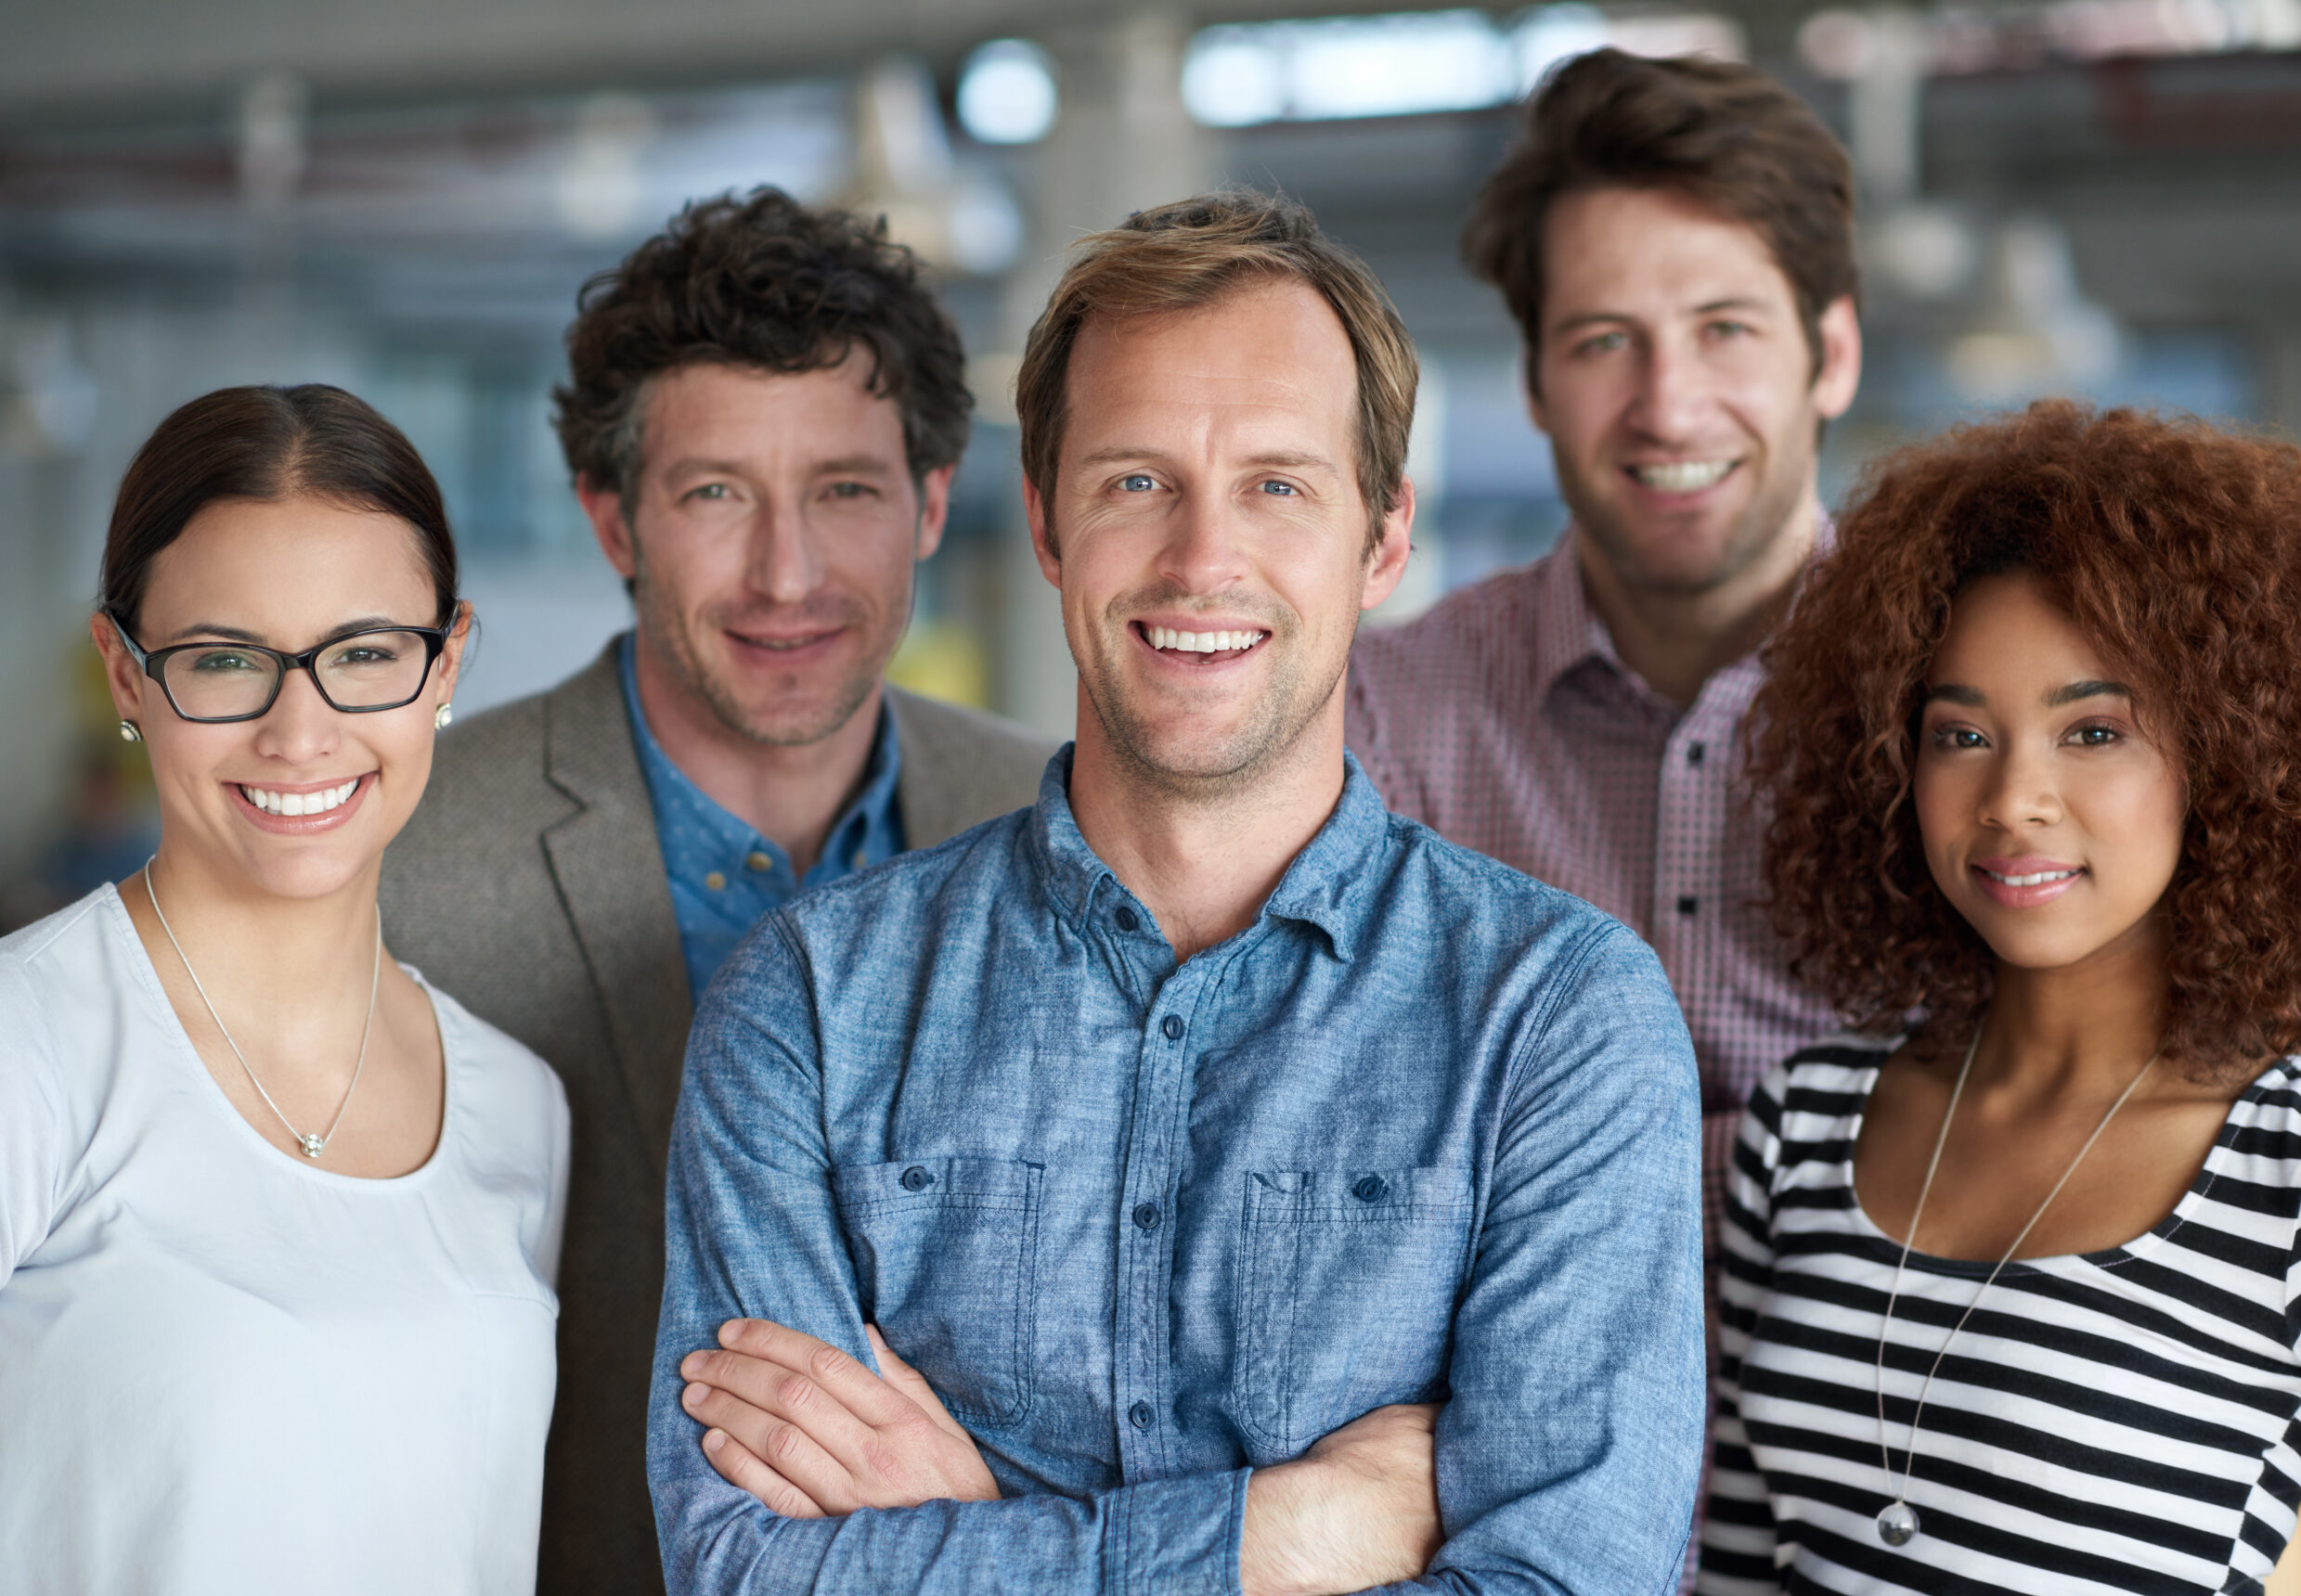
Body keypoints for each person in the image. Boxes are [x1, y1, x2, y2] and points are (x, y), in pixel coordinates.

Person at [645, 191, 1707, 1594]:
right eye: (1136, 481)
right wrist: (1289, 1534)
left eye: (1278, 484)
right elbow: (743, 1575)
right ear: (1046, 525)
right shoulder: (809, 1001)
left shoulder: (1558, 1021)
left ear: (1383, 539)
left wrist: (971, 1533)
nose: (1203, 560)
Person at [378, 190, 1054, 1595]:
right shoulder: (401, 859)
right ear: (612, 519)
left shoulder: (1058, 828)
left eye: (845, 491)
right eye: (715, 494)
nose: (786, 574)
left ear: (931, 504)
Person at [1701, 403, 2301, 1593]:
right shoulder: (1804, 1124)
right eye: (1959, 734)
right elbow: (1740, 1560)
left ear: (2226, 755)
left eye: (2093, 730)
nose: (2013, 797)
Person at [0, 384, 568, 1592]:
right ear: (126, 675)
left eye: (365, 654)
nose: (300, 731)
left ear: (446, 662)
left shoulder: (519, 1103)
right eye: (223, 660)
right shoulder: (31, 1049)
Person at [1343, 49, 1862, 1259]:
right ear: (1532, 381)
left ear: (1829, 354)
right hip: (1485, 1433)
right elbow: (1347, 1143)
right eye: (1602, 342)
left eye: (1723, 329)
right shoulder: (1387, 713)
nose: (1668, 407)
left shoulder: (1973, 710)